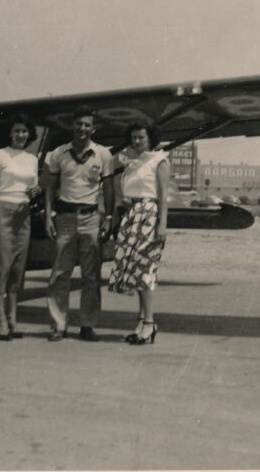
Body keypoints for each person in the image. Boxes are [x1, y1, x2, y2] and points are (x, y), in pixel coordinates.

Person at [43, 106, 115, 342]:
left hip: (91, 218)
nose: (82, 128)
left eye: (87, 125)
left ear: (94, 128)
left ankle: (87, 324)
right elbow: (50, 187)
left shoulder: (103, 155)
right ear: (72, 126)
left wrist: (108, 218)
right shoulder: (59, 154)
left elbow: (109, 188)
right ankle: (58, 325)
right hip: (64, 218)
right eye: (79, 124)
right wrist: (48, 215)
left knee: (91, 275)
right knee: (60, 274)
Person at [108, 121, 169, 346]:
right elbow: (119, 187)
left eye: (140, 137)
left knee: (144, 270)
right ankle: (142, 322)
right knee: (135, 270)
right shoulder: (132, 163)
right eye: (133, 138)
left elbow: (163, 196)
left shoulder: (159, 160)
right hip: (132, 214)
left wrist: (162, 225)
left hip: (149, 215)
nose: (136, 142)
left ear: (150, 137)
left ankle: (150, 323)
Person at [0, 114, 40, 341]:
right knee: (2, 265)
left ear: (29, 134)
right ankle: (1, 321)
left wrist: (37, 191)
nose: (20, 135)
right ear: (10, 133)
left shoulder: (32, 158)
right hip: (2, 210)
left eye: (24, 131)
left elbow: (33, 187)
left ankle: (13, 319)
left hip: (23, 213)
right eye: (16, 130)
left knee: (18, 267)